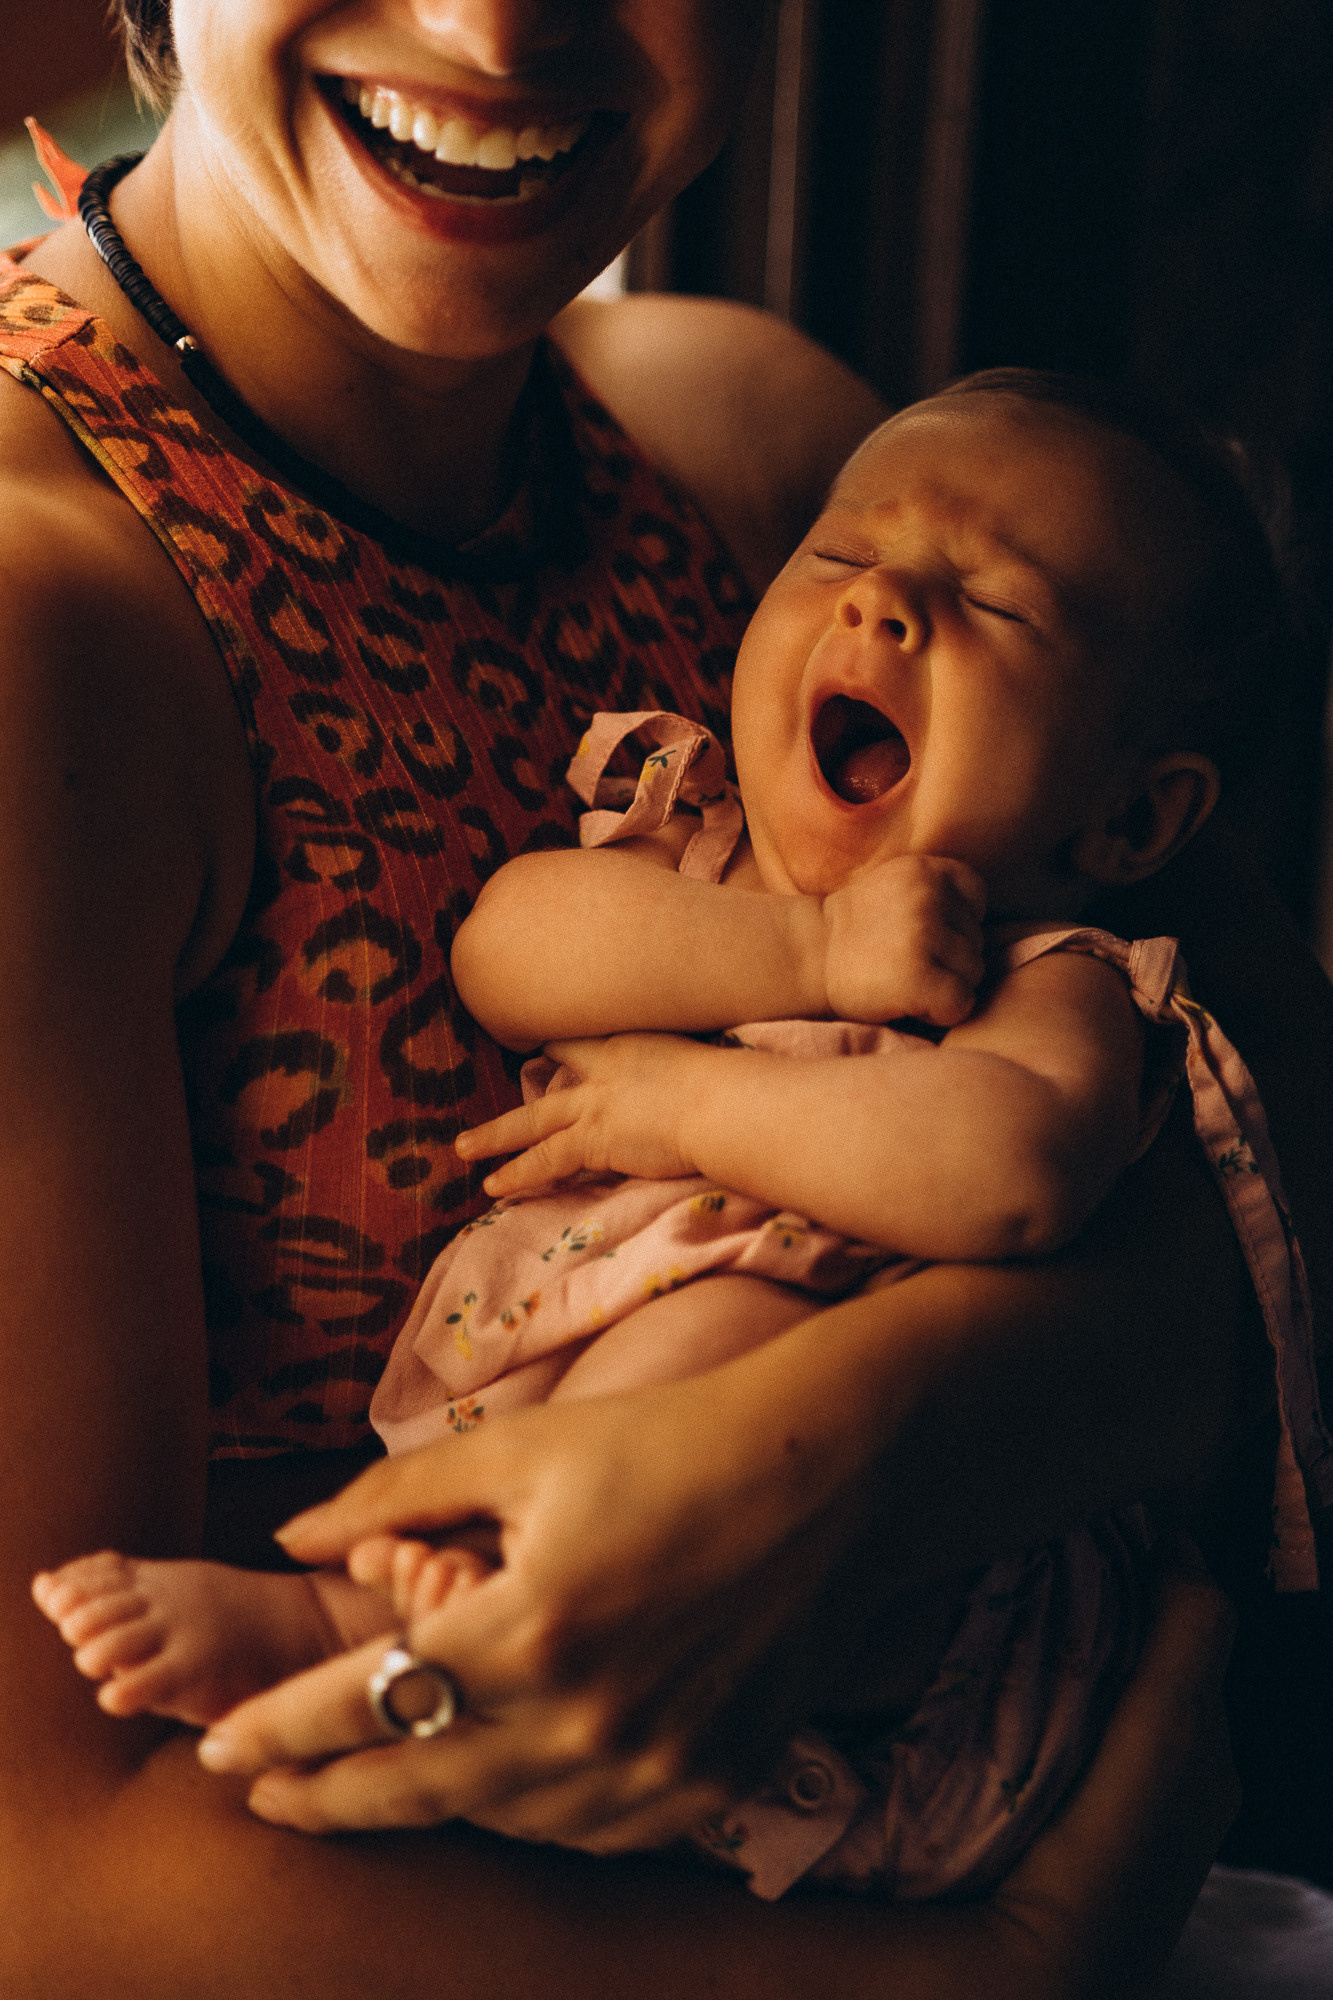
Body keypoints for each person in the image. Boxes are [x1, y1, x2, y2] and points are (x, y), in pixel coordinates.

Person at [0, 0, 1323, 1991]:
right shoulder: (44, 619)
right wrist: (996, 1980)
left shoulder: (768, 465)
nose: (500, 19)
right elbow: (38, 1875)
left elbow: (1279, 1136)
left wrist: (855, 1454)